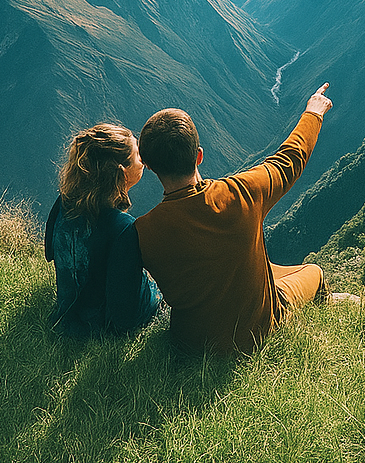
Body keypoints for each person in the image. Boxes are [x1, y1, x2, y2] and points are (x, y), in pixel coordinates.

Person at [134, 83, 333, 354]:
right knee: (315, 272)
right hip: (257, 333)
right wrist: (313, 112)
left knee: (270, 269)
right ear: (199, 156)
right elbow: (290, 160)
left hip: (191, 345)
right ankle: (320, 334)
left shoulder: (144, 231)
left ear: (149, 165)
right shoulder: (243, 193)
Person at [44, 123, 161, 338]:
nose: (142, 160)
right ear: (122, 173)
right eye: (137, 156)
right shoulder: (123, 228)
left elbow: (51, 254)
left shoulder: (63, 204)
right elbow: (126, 313)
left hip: (68, 316)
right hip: (100, 330)